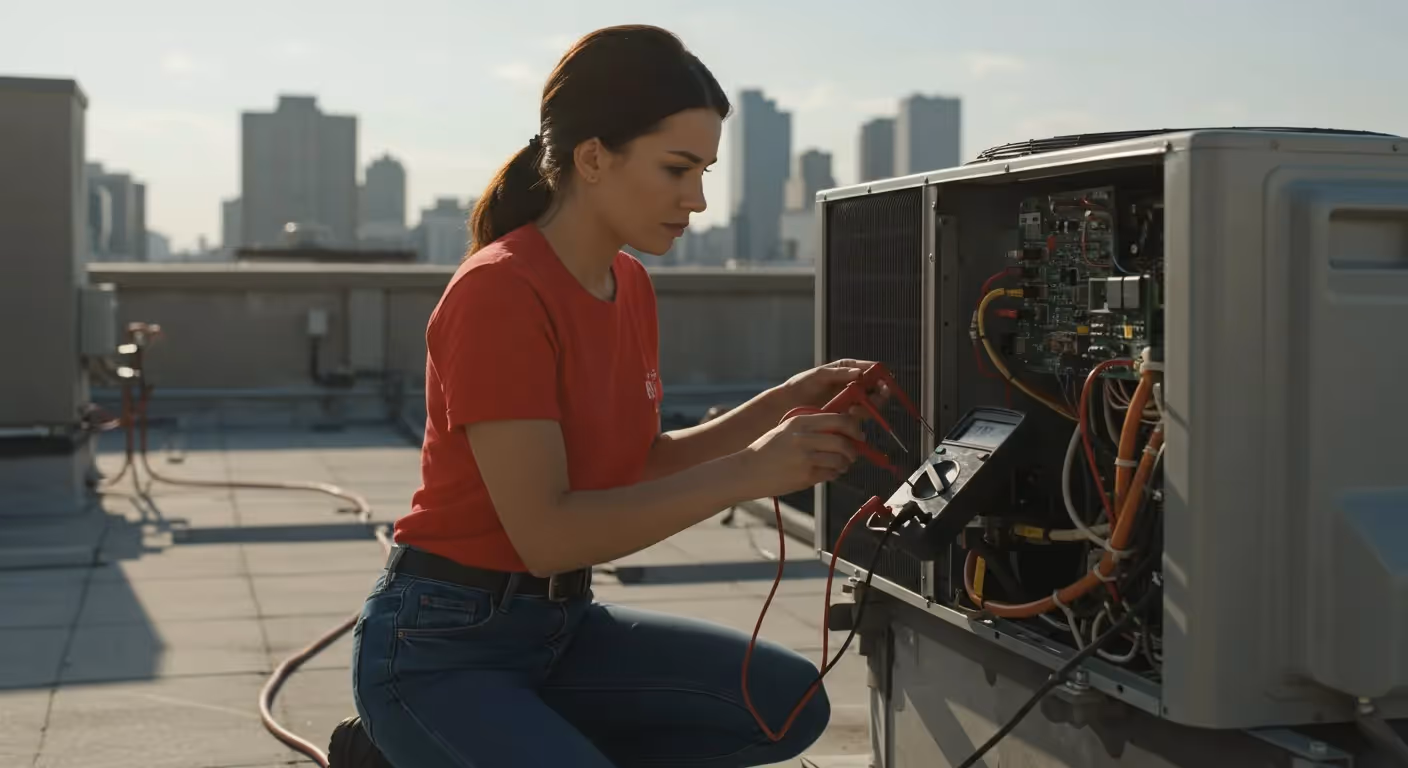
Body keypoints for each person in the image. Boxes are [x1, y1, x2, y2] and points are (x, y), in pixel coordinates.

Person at [333, 24, 886, 768]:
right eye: (677, 169)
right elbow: (548, 534)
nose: (696, 200)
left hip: (562, 630)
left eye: (705, 172)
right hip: (441, 643)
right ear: (594, 158)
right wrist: (754, 471)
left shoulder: (627, 284)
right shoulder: (501, 290)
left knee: (783, 705)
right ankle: (408, 741)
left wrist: (781, 403)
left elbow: (637, 462)